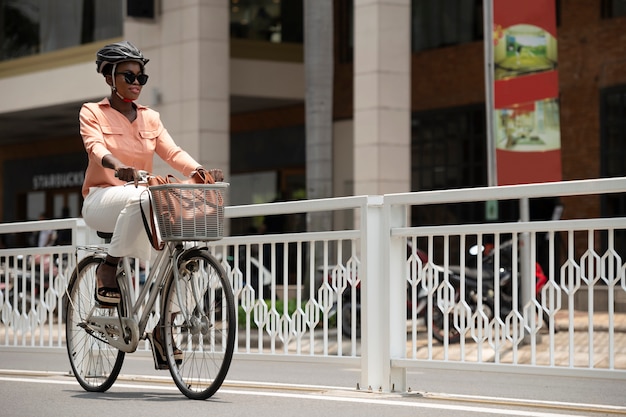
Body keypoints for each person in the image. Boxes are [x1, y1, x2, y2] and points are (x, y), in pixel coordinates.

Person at [79, 41, 223, 360]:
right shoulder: (92, 112)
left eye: (140, 78)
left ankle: (163, 329)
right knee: (144, 195)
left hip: (141, 203)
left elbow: (171, 152)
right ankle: (109, 266)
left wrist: (198, 170)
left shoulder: (151, 119)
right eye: (128, 76)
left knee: (184, 259)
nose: (135, 83)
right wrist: (119, 167)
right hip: (102, 200)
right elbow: (96, 149)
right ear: (109, 78)